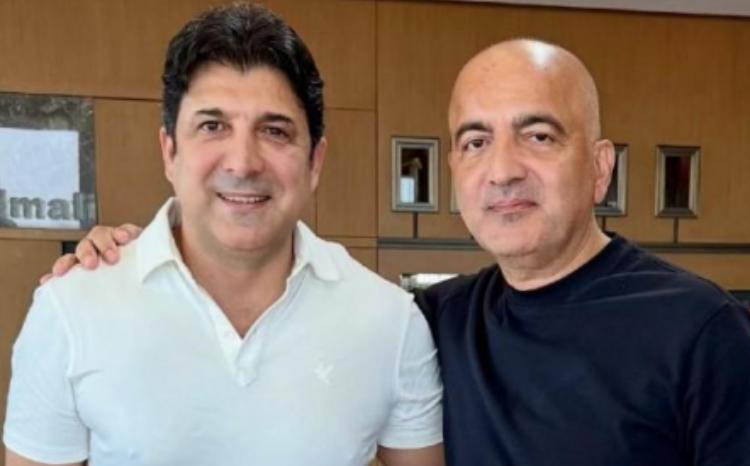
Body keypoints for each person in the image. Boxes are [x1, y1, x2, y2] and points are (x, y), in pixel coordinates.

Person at [39, 38, 750, 466]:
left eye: (538, 136)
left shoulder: (700, 330)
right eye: (476, 141)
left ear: (599, 167)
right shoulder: (429, 320)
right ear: (455, 169)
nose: (502, 170)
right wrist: (138, 260)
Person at [3, 4, 443, 466]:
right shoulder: (70, 308)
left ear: (314, 161)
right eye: (212, 126)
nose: (242, 162)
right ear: (169, 152)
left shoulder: (391, 322)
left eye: (274, 131)